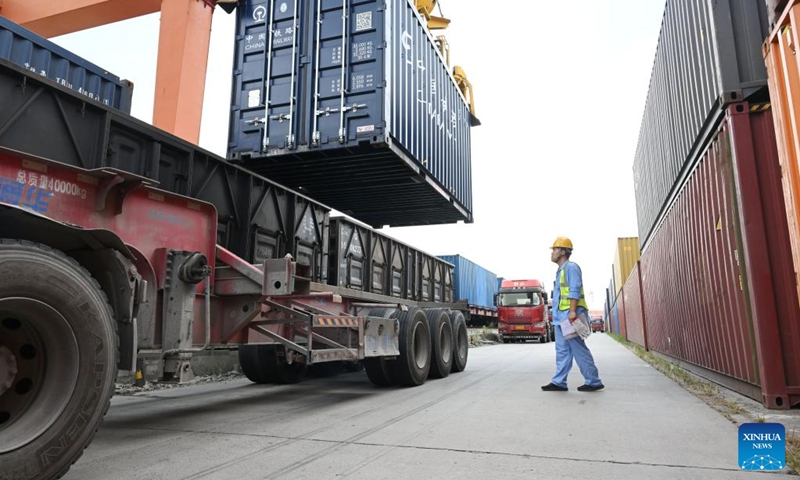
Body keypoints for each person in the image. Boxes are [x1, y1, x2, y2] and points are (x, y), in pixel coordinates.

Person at [541, 237, 604, 392]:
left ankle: (593, 381)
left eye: (555, 249)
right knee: (562, 350)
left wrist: (573, 312)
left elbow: (574, 290)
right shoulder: (560, 270)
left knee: (578, 348)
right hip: (560, 317)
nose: (552, 253)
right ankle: (559, 382)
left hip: (570, 316)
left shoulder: (571, 268)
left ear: (563, 251)